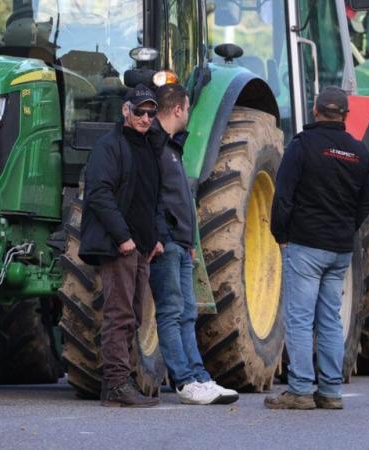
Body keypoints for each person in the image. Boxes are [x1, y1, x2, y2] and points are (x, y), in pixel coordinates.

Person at [266, 86, 369, 410]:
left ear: (315, 111)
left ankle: (299, 389)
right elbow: (365, 205)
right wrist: (344, 230)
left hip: (305, 245)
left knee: (299, 318)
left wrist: (280, 234)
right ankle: (330, 391)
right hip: (339, 249)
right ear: (345, 115)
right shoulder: (358, 152)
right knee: (329, 319)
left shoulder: (301, 146)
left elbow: (283, 196)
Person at [148, 83, 239, 405]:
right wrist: (161, 236)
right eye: (187, 108)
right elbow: (151, 199)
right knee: (172, 312)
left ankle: (199, 376)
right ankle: (184, 381)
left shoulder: (172, 148)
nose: (188, 114)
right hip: (167, 243)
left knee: (187, 312)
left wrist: (187, 241)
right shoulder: (155, 147)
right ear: (177, 109)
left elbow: (177, 199)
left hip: (180, 243)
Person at [78, 84, 164, 407]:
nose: (145, 118)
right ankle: (115, 384)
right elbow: (98, 193)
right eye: (139, 111)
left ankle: (119, 382)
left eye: (151, 113)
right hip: (119, 246)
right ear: (125, 110)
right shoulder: (109, 146)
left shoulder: (149, 146)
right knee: (119, 314)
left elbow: (152, 196)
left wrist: (154, 238)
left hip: (141, 246)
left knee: (134, 316)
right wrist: (123, 237)